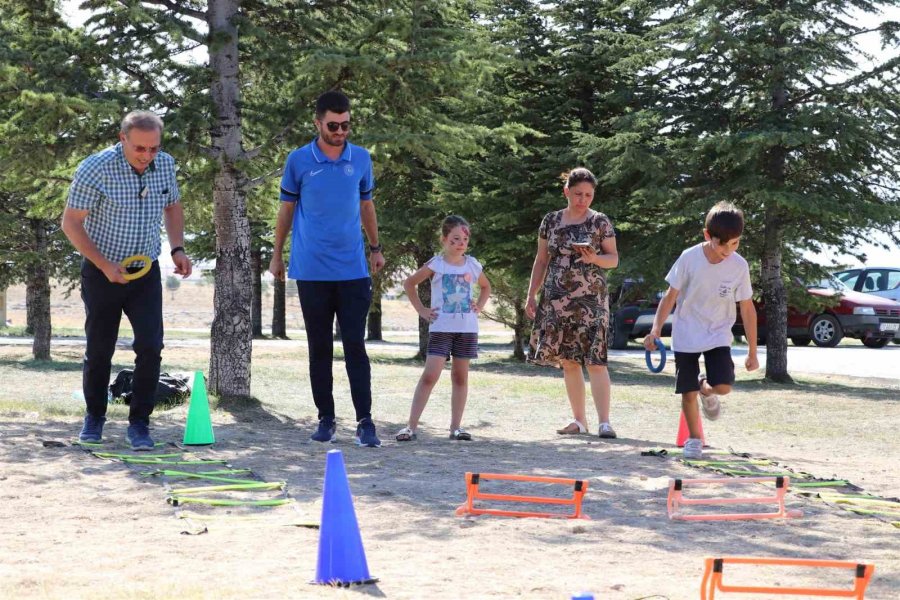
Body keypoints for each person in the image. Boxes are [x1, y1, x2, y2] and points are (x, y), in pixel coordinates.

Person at [62, 110, 192, 450]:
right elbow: (71, 223)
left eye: (153, 148)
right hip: (102, 271)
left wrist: (177, 248)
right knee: (100, 348)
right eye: (140, 149)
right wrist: (105, 265)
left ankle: (139, 425)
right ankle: (94, 418)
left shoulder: (164, 165)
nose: (147, 156)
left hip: (145, 272)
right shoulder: (96, 168)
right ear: (123, 139)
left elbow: (173, 205)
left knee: (150, 346)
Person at [269, 90, 385, 447]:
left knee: (354, 346)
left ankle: (365, 422)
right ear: (318, 122)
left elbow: (366, 205)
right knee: (318, 348)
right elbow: (286, 211)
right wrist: (276, 254)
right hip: (311, 270)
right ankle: (326, 418)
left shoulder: (361, 159)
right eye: (333, 125)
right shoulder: (299, 161)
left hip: (353, 271)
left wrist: (375, 248)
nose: (340, 131)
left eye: (346, 125)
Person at [642, 201, 759, 460]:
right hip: (686, 332)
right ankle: (694, 439)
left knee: (724, 386)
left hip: (717, 332)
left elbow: (748, 308)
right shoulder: (689, 258)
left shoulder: (739, 266)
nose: (729, 250)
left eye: (736, 243)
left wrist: (752, 350)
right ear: (708, 236)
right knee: (687, 392)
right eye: (723, 243)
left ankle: (706, 389)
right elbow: (670, 297)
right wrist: (656, 329)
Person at [526, 168, 619, 439]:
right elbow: (541, 260)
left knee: (596, 360)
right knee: (568, 361)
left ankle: (604, 422)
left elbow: (614, 259)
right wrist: (532, 294)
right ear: (567, 191)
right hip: (556, 299)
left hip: (592, 299)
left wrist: (594, 258)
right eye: (578, 194)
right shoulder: (551, 221)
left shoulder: (600, 222)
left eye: (588, 195)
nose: (583, 199)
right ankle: (579, 421)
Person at [395, 216, 492, 442]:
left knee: (460, 377)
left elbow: (486, 286)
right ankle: (411, 426)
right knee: (430, 375)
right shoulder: (436, 264)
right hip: (441, 328)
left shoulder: (473, 264)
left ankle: (456, 428)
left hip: (466, 329)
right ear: (444, 239)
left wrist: (479, 305)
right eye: (455, 238)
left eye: (465, 239)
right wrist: (421, 309)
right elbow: (409, 283)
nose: (460, 243)